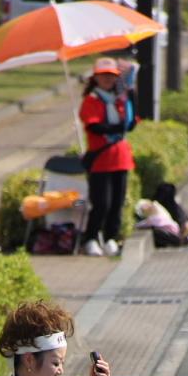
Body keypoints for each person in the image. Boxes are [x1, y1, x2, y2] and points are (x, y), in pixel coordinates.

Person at [79, 56, 136, 257]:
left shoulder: (120, 99)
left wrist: (131, 94)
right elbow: (94, 126)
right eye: (103, 75)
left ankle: (111, 238)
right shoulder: (91, 100)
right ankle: (91, 238)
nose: (107, 79)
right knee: (101, 203)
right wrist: (114, 127)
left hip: (121, 158)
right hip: (100, 161)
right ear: (95, 77)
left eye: (111, 76)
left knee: (117, 203)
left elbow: (130, 123)